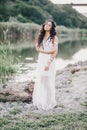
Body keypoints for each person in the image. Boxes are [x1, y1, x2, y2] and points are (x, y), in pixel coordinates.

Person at [32, 19, 58, 110]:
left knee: (48, 82)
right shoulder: (40, 36)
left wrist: (48, 62)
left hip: (49, 61)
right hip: (41, 60)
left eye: (49, 25)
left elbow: (55, 52)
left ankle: (49, 101)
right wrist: (47, 52)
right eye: (46, 24)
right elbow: (37, 48)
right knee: (41, 80)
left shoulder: (54, 37)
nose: (47, 25)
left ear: (51, 28)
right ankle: (42, 100)